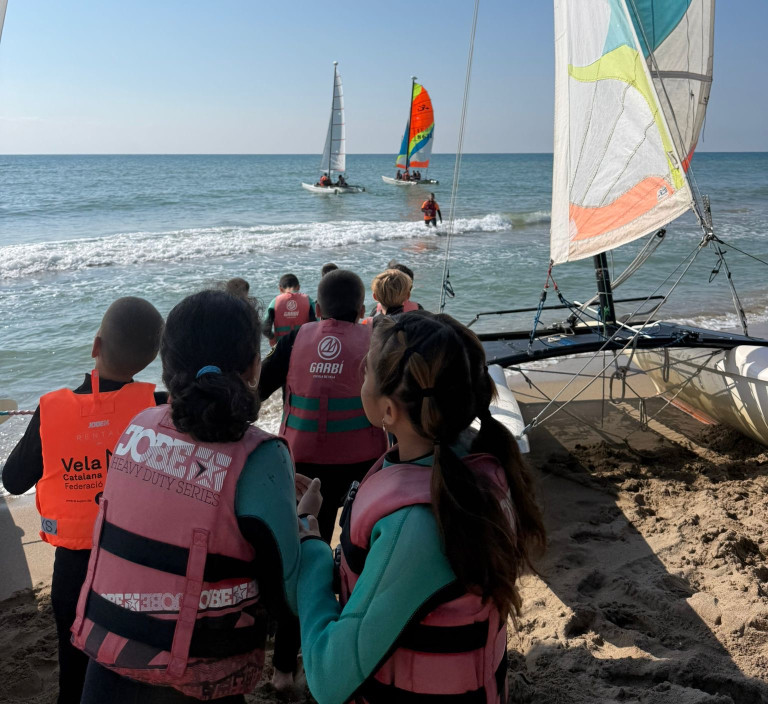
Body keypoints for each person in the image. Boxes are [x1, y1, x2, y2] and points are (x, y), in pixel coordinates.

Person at [295, 311, 546, 704]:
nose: (361, 381)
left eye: (366, 375)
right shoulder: (479, 466)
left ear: (389, 411)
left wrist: (310, 540)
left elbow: (327, 680)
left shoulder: (415, 525)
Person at [72, 290, 305, 702]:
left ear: (166, 366)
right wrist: (307, 524)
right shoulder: (263, 455)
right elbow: (288, 594)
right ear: (254, 366)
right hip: (199, 681)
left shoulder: (138, 425)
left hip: (105, 668)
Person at [1, 297, 165, 704]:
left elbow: (13, 481)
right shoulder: (159, 408)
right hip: (139, 565)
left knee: (73, 668)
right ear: (148, 361)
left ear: (95, 345)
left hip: (75, 570)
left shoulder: (51, 410)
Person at [259, 269, 386, 543]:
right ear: (362, 309)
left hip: (302, 466)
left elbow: (255, 390)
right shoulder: (376, 341)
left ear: (317, 309)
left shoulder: (292, 340)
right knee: (359, 538)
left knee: (311, 535)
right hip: (364, 465)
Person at [264, 273, 316, 347]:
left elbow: (264, 328)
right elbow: (316, 324)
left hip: (281, 346)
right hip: (304, 345)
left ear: (280, 289)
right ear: (298, 287)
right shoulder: (308, 300)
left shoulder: (275, 302)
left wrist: (272, 338)